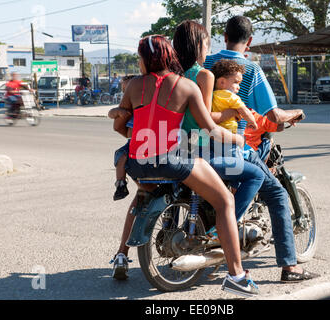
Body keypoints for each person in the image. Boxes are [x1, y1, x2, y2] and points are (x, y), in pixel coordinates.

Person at [113, 34, 259, 297]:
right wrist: (237, 137)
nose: (139, 63)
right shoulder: (186, 86)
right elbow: (210, 129)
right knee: (224, 199)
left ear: (147, 60)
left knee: (142, 196)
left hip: (137, 162)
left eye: (140, 58)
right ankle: (236, 275)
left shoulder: (133, 86)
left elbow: (121, 125)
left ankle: (122, 254)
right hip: (172, 160)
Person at [204, 15, 319, 283]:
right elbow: (275, 116)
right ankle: (290, 267)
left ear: (224, 36)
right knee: (277, 195)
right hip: (234, 145)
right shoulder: (250, 70)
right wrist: (296, 113)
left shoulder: (206, 64)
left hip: (200, 143)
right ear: (250, 41)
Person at [173, 20, 266, 228]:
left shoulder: (172, 76)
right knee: (256, 175)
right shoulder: (204, 75)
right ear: (198, 46)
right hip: (199, 148)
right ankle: (224, 229)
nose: (208, 52)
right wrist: (236, 136)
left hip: (172, 146)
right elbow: (205, 120)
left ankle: (172, 227)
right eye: (207, 46)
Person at [108, 76, 136, 201]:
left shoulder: (140, 104)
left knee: (123, 157)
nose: (126, 92)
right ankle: (120, 184)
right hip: (132, 141)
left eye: (128, 89)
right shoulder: (124, 107)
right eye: (124, 89)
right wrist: (117, 112)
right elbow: (111, 114)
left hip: (142, 141)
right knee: (121, 157)